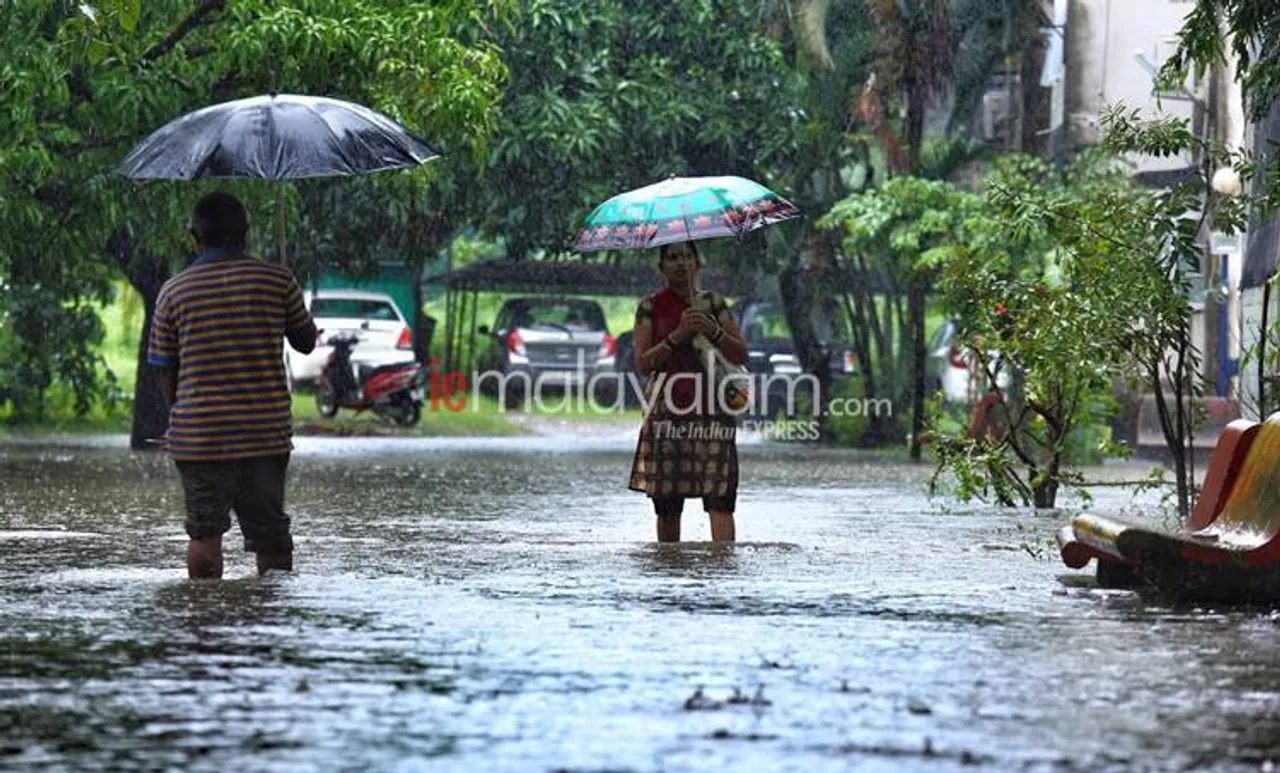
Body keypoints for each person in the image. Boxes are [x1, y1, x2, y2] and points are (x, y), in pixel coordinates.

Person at [147, 192, 317, 579]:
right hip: (264, 433)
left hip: (200, 435)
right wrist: (289, 293)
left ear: (195, 236)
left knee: (205, 532)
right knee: (271, 536)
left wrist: (180, 417)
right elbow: (306, 342)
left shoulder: (174, 291)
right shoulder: (276, 280)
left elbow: (163, 365)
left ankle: (206, 620)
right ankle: (266, 626)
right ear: (246, 233)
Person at [629, 240, 748, 542]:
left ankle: (723, 570)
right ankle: (670, 572)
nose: (681, 263)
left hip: (713, 409)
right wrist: (678, 336)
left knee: (719, 496)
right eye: (672, 258)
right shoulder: (650, 307)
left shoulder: (715, 304)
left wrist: (713, 330)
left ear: (698, 263)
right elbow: (644, 363)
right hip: (667, 410)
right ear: (662, 267)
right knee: (667, 503)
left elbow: (739, 356)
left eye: (687, 256)